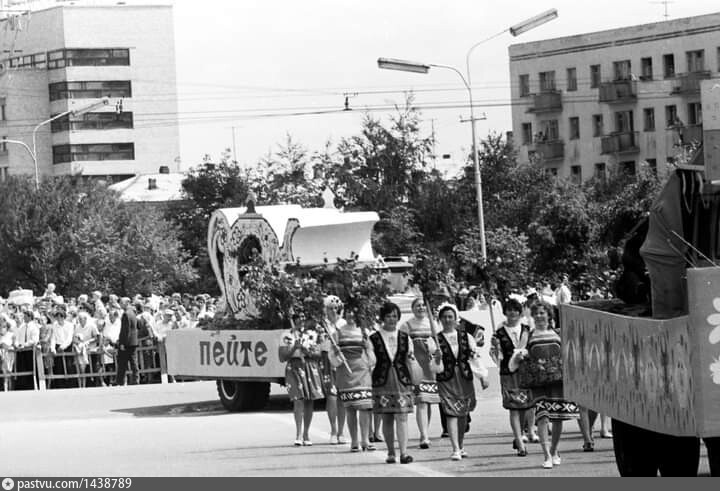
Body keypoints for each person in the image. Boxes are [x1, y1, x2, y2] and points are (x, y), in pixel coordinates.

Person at [510, 302, 579, 469]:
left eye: (542, 313)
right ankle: (547, 454)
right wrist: (520, 356)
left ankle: (554, 450)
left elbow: (569, 353)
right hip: (538, 382)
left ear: (549, 315)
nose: (539, 316)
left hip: (557, 382)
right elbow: (517, 355)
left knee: (557, 418)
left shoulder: (558, 333)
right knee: (542, 417)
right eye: (536, 313)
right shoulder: (528, 335)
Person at [430, 302, 487, 461]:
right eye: (444, 317)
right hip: (446, 379)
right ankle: (455, 448)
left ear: (456, 319)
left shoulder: (466, 337)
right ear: (440, 319)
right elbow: (433, 367)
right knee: (450, 413)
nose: (447, 320)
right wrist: (437, 358)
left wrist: (482, 376)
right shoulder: (434, 340)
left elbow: (474, 357)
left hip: (463, 377)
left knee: (462, 414)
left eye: (450, 317)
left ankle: (460, 445)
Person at [369, 301, 414, 464]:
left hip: (402, 379)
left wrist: (412, 381)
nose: (392, 319)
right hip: (382, 380)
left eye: (395, 316)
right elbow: (371, 361)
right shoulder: (373, 338)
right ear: (382, 318)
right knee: (387, 417)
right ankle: (390, 452)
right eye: (388, 316)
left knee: (402, 416)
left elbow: (409, 359)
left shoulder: (405, 337)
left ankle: (404, 453)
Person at [491, 298, 533, 456]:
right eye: (509, 310)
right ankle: (520, 442)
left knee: (524, 406)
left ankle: (520, 433)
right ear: (505, 312)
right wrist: (496, 349)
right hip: (508, 374)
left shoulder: (527, 330)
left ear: (520, 312)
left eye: (515, 310)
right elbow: (496, 357)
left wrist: (525, 355)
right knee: (514, 407)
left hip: (525, 372)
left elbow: (533, 349)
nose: (512, 313)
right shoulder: (499, 333)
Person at [329, 308, 376, 452]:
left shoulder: (364, 332)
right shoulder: (337, 333)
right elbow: (332, 357)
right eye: (349, 312)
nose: (351, 315)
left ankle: (365, 439)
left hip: (362, 372)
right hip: (345, 373)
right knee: (350, 408)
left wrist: (368, 358)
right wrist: (336, 355)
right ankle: (354, 441)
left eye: (354, 312)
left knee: (364, 407)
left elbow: (371, 354)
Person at [279, 312, 324, 447]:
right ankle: (298, 434)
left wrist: (306, 350)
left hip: (309, 366)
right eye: (300, 317)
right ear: (294, 319)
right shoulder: (287, 335)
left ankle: (306, 433)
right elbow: (282, 357)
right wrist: (294, 348)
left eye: (304, 317)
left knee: (309, 400)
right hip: (294, 367)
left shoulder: (311, 334)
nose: (302, 319)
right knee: (298, 399)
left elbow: (318, 354)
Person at [401, 298, 439, 449]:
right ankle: (423, 435)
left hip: (430, 367)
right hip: (416, 366)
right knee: (422, 401)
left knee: (427, 401)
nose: (421, 308)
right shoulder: (407, 325)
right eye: (418, 306)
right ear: (412, 308)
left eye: (423, 305)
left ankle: (426, 432)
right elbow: (402, 345)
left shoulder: (433, 324)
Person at [318, 295, 347, 445]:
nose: (334, 311)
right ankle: (333, 430)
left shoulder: (344, 323)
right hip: (327, 359)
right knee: (331, 395)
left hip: (342, 359)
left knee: (342, 396)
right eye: (330, 308)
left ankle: (341, 431)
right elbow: (319, 344)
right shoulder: (321, 325)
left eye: (336, 308)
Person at [116, 297, 139, 386]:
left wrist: (122, 343)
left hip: (127, 342)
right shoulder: (133, 312)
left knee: (122, 363)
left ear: (127, 303)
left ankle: (120, 381)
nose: (120, 305)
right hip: (133, 341)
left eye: (122, 303)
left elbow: (125, 330)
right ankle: (136, 379)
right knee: (133, 362)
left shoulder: (126, 314)